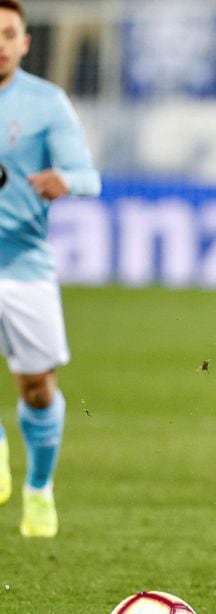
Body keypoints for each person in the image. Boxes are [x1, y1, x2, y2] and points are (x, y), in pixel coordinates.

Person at [0, 0, 101, 537]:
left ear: (24, 42)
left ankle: (39, 488)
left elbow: (88, 177)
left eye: (8, 33)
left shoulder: (44, 103)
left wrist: (65, 180)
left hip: (24, 264)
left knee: (37, 386)